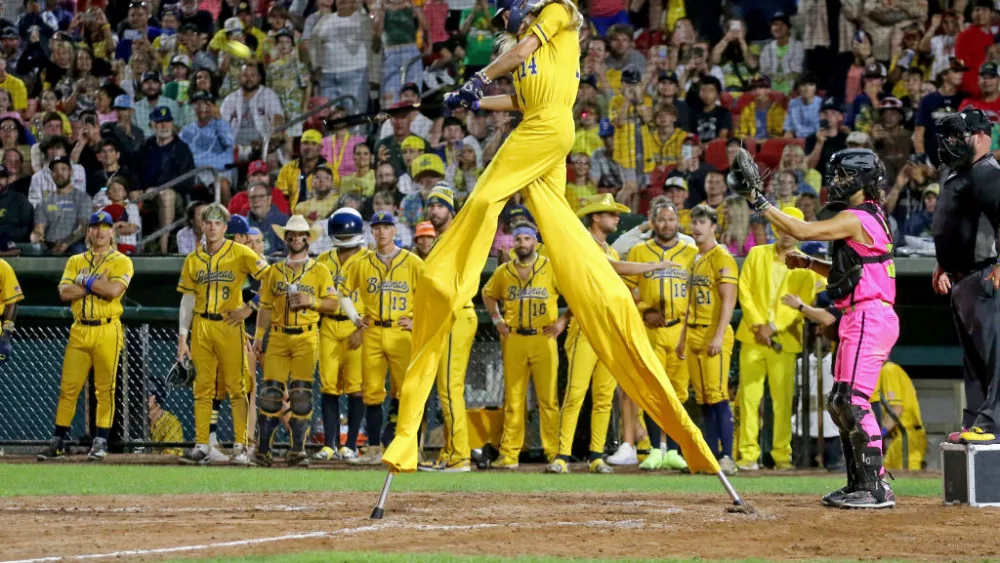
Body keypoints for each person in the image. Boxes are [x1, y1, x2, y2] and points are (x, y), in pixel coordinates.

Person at [380, 0, 720, 476]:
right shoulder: (530, 54)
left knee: (481, 200)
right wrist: (473, 101)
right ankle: (601, 283)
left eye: (503, 16)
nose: (502, 23)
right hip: (541, 127)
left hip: (547, 127)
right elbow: (520, 97)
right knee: (561, 230)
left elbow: (519, 55)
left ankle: (444, 274)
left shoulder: (557, 12)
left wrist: (478, 77)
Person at [733, 147, 899, 508]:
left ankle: (876, 487)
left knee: (853, 402)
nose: (836, 182)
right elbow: (851, 272)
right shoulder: (863, 218)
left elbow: (801, 228)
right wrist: (810, 264)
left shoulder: (859, 217)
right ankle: (859, 484)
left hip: (870, 316)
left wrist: (759, 200)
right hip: (860, 315)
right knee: (840, 401)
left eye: (843, 176)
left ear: (861, 180)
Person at [175, 203, 268, 465]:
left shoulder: (239, 252)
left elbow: (271, 277)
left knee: (237, 386)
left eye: (217, 223)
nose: (212, 227)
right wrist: (183, 337)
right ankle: (203, 444)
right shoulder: (193, 259)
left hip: (229, 324)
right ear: (202, 226)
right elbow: (187, 300)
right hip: (202, 326)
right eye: (208, 222)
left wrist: (251, 307)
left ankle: (242, 446)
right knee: (202, 388)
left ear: (225, 228)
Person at [37, 211, 133, 462]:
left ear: (112, 232)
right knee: (68, 388)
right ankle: (58, 440)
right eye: (95, 227)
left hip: (107, 328)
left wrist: (84, 281)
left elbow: (112, 291)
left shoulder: (122, 261)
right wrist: (93, 284)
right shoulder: (75, 260)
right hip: (79, 329)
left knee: (105, 390)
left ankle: (100, 441)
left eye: (104, 227)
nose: (100, 232)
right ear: (88, 231)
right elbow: (64, 293)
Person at [734, 206, 824, 471]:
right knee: (748, 398)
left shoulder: (807, 267)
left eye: (792, 227)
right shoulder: (756, 254)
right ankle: (748, 455)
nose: (786, 233)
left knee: (783, 402)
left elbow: (803, 304)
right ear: (776, 227)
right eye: (782, 226)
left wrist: (773, 326)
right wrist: (759, 325)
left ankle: (782, 456)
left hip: (783, 340)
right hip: (753, 337)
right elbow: (745, 291)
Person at [932, 109, 1000, 445]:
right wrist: (941, 264)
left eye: (960, 136)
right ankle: (976, 419)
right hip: (959, 280)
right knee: (973, 359)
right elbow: (949, 224)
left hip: (984, 275)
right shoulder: (956, 171)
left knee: (994, 355)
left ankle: (993, 422)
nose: (952, 142)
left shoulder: (987, 172)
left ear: (982, 135)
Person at [252, 215, 337, 467]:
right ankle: (263, 451)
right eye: (291, 234)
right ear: (286, 237)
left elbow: (333, 303)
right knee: (270, 395)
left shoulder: (320, 270)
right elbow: (265, 307)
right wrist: (259, 338)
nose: (296, 238)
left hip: (307, 336)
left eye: (301, 234)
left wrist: (312, 301)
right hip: (278, 335)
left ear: (308, 239)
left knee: (301, 395)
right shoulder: (274, 271)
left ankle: (297, 450)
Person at [482, 223, 562, 468]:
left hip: (543, 337)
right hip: (514, 337)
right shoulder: (504, 271)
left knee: (548, 399)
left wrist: (562, 321)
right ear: (513, 243)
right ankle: (509, 454)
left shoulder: (550, 267)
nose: (522, 243)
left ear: (536, 242)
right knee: (514, 399)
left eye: (527, 238)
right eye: (518, 239)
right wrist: (497, 320)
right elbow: (488, 294)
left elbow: (574, 294)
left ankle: (554, 453)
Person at [348, 211, 423, 466]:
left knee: (407, 391)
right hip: (373, 331)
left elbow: (429, 296)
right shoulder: (362, 263)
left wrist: (418, 322)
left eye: (386, 227)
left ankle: (409, 446)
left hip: (402, 333)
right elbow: (343, 292)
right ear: (372, 231)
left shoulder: (413, 262)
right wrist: (355, 319)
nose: (381, 232)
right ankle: (373, 449)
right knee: (372, 392)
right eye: (377, 227)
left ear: (395, 231)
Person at [412, 186, 478, 473]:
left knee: (450, 389)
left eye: (440, 206)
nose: (434, 210)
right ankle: (451, 450)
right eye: (431, 205)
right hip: (446, 318)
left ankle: (460, 456)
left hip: (456, 314)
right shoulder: (440, 242)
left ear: (451, 211)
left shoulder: (456, 237)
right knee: (446, 389)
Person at [675, 204, 739, 476]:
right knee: (702, 398)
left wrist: (719, 334)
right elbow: (689, 302)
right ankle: (710, 457)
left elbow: (729, 300)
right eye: (694, 222)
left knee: (718, 396)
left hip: (714, 333)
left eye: (702, 222)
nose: (696, 227)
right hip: (693, 333)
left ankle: (727, 457)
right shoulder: (696, 258)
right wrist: (682, 338)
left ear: (714, 226)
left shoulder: (722, 257)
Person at [314, 208, 368, 462]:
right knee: (329, 387)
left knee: (356, 387)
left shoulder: (370, 259)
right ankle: (329, 444)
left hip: (357, 327)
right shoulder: (323, 260)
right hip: (328, 325)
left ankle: (352, 444)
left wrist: (363, 329)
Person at [872, 361, 927, 470]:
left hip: (908, 437)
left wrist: (879, 435)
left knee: (909, 481)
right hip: (899, 438)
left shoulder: (889, 370)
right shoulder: (885, 371)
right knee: (886, 478)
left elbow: (896, 409)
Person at [31, 156, 90, 255]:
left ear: (71, 172)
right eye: (55, 170)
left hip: (73, 244)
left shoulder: (83, 198)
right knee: (34, 248)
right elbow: (38, 229)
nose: (59, 173)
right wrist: (38, 239)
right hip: (50, 244)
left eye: (63, 169)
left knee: (79, 250)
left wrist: (65, 243)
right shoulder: (44, 202)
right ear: (51, 175)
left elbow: (83, 227)